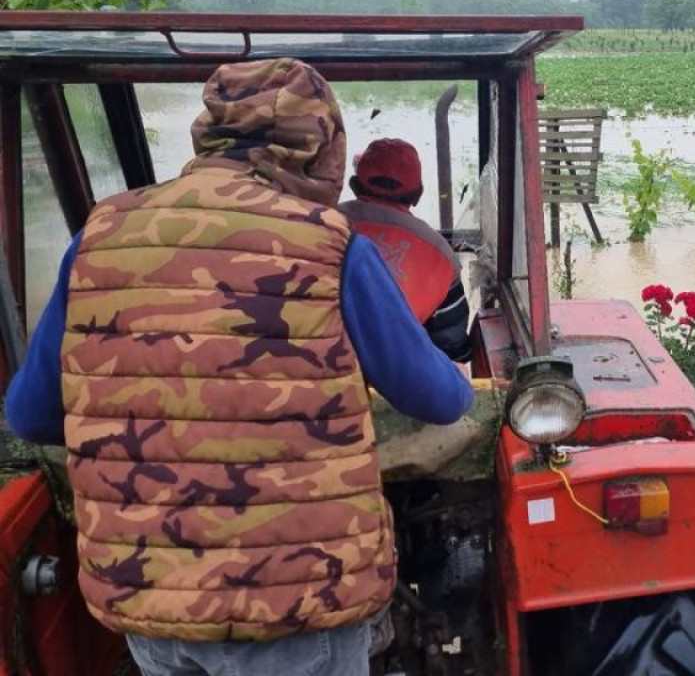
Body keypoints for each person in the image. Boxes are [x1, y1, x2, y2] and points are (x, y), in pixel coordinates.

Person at [3, 58, 473, 675]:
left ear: (209, 134)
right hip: (297, 606)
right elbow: (438, 399)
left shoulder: (98, 234)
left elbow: (30, 415)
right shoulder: (329, 244)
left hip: (151, 600)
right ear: (321, 151)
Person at [339, 138, 471, 362]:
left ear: (354, 185)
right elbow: (453, 348)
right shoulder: (441, 254)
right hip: (399, 380)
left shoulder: (320, 227)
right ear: (418, 194)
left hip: (320, 369)